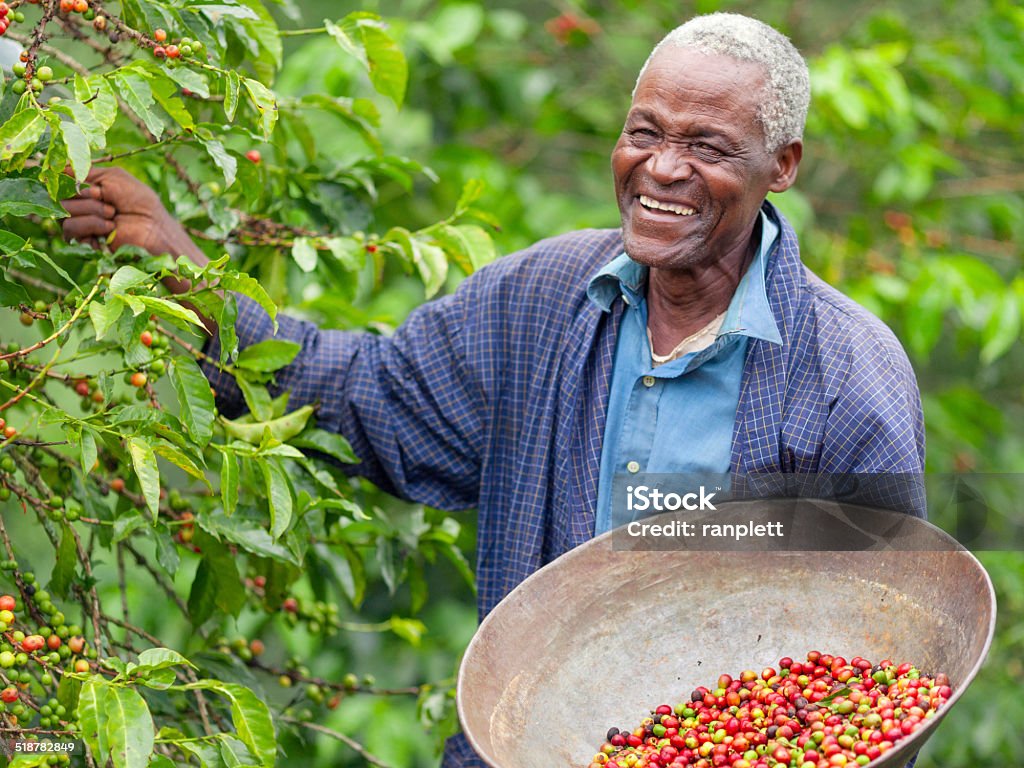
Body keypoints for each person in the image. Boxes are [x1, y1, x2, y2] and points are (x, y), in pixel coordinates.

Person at [63, 13, 924, 766]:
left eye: (707, 147)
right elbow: (366, 393)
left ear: (783, 166)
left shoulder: (848, 376)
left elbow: (884, 664)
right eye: (645, 132)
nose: (662, 168)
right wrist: (191, 281)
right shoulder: (540, 301)